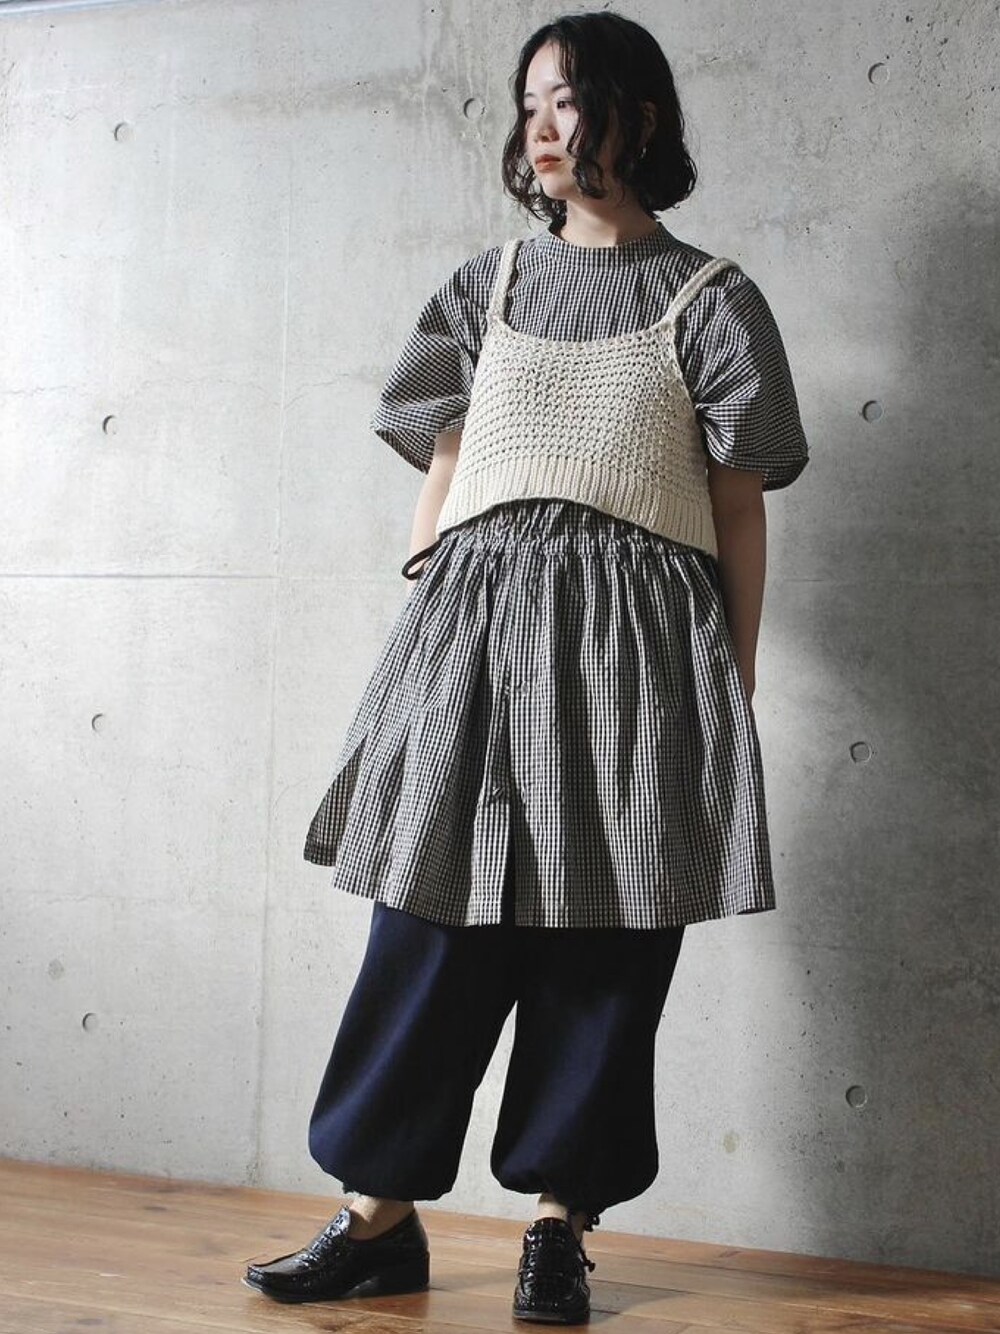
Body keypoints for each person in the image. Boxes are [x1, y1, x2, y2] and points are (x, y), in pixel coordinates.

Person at [243, 10, 808, 1326]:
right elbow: (446, 458)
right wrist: (428, 612)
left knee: (608, 946)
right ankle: (378, 1217)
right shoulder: (483, 286)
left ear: (639, 117)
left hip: (640, 655)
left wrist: (732, 678)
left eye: (568, 100)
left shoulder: (714, 299)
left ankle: (562, 1224)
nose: (542, 129)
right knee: (427, 927)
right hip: (474, 640)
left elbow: (738, 506)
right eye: (530, 103)